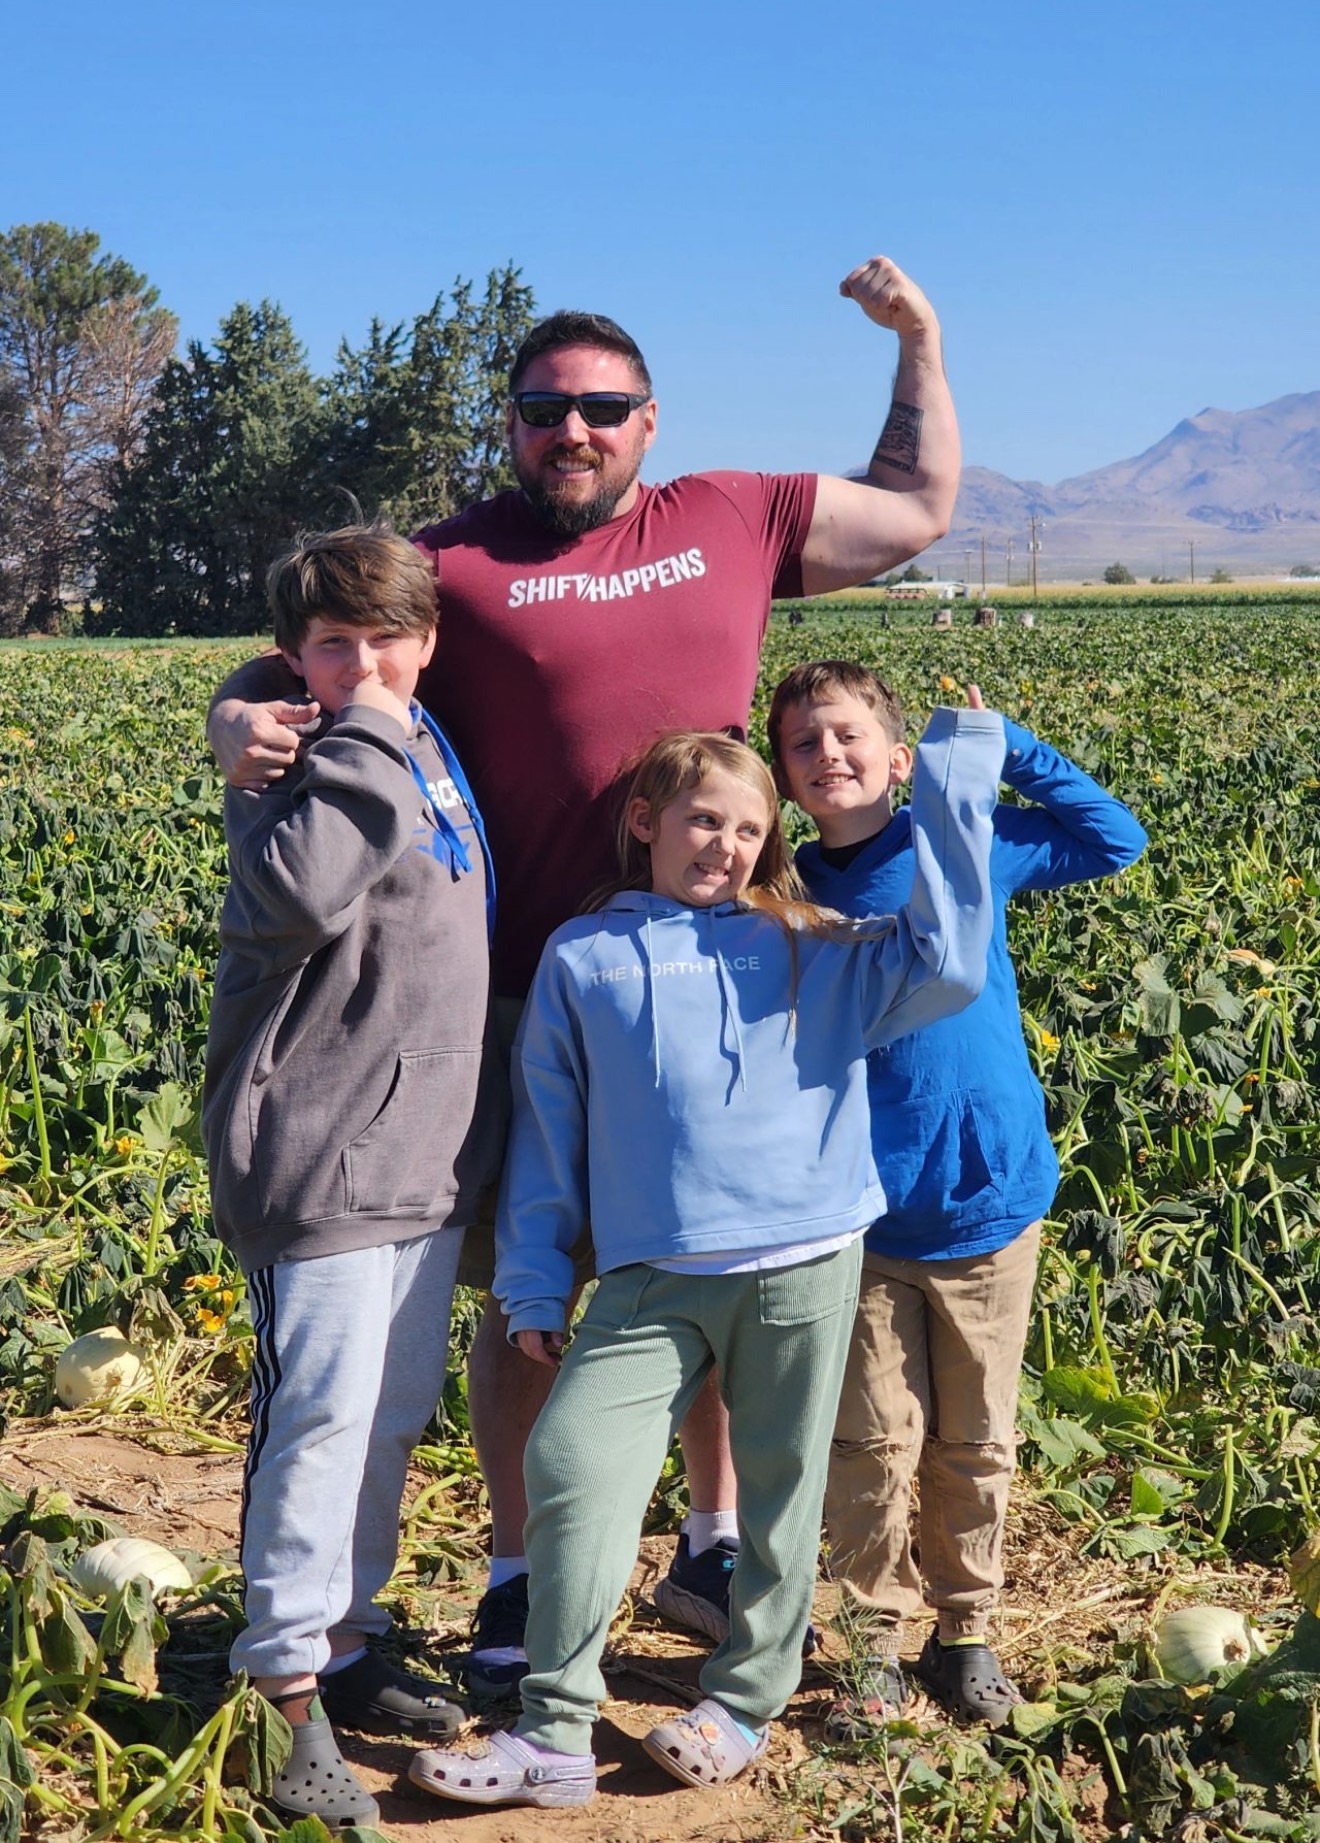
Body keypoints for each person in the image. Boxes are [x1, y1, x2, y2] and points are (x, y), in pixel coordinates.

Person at [206, 256, 961, 1700]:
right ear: (510, 422)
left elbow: (917, 508)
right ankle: (520, 1570)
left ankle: (710, 1544)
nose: (574, 430)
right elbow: (314, 646)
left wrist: (917, 339)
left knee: (717, 1258)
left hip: (720, 973)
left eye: (603, 409)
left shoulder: (735, 514)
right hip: (524, 997)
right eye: (545, 407)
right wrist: (231, 712)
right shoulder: (453, 566)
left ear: (648, 421)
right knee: (532, 1291)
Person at [407, 709, 1003, 1808]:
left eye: (748, 828)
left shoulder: (811, 940)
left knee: (781, 1492)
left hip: (804, 1259)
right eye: (702, 820)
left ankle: (742, 1702)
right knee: (571, 1461)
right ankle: (554, 1730)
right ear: (646, 821)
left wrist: (957, 780)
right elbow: (547, 1133)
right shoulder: (584, 956)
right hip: (653, 1273)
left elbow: (950, 964)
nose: (724, 846)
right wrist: (533, 1274)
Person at [767, 660, 1147, 1734]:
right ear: (784, 778)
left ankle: (966, 1630)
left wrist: (1007, 747)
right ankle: (873, 1643)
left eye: (848, 735)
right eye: (803, 744)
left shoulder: (963, 843)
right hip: (857, 1214)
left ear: (900, 758)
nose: (828, 755)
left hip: (987, 1200)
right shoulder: (782, 896)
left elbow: (1114, 839)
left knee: (977, 1438)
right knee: (869, 1444)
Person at [201, 523, 503, 1827]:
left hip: (421, 1156)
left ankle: (345, 1639)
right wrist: (335, 715)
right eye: (336, 644)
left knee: (386, 1418)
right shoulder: (300, 756)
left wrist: (366, 712)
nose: (367, 663)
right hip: (318, 1153)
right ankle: (278, 1692)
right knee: (317, 1420)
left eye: (389, 639)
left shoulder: (425, 739)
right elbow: (300, 895)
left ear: (430, 639)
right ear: (295, 657)